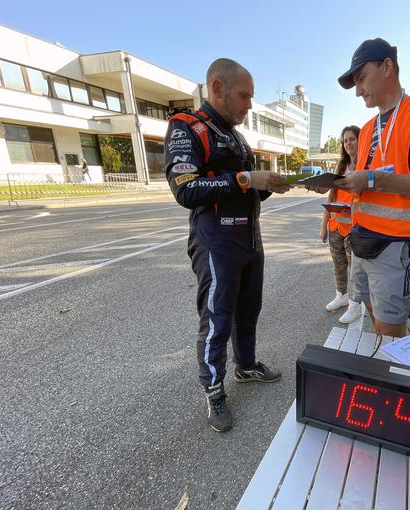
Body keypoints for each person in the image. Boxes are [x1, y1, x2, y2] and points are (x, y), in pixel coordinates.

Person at [164, 58, 290, 433]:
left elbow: (243, 190)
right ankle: (214, 389)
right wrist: (247, 178)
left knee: (249, 311)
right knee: (218, 320)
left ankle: (246, 366)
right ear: (217, 88)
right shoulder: (186, 127)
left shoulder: (236, 136)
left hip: (250, 239)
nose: (249, 105)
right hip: (217, 243)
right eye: (244, 96)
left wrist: (265, 185)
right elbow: (185, 189)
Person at [335, 38, 410, 338]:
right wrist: (341, 185)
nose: (358, 90)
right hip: (361, 241)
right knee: (373, 315)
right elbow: (365, 181)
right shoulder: (369, 126)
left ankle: (399, 379)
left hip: (395, 246)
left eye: (361, 78)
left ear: (387, 66)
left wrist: (372, 180)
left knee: (390, 331)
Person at [319, 126, 361, 324]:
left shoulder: (365, 166)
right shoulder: (341, 166)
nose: (348, 143)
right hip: (335, 226)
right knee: (338, 264)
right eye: (345, 140)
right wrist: (323, 225)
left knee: (356, 268)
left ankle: (355, 304)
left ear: (361, 140)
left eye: (352, 139)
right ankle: (341, 295)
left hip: (355, 227)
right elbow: (331, 196)